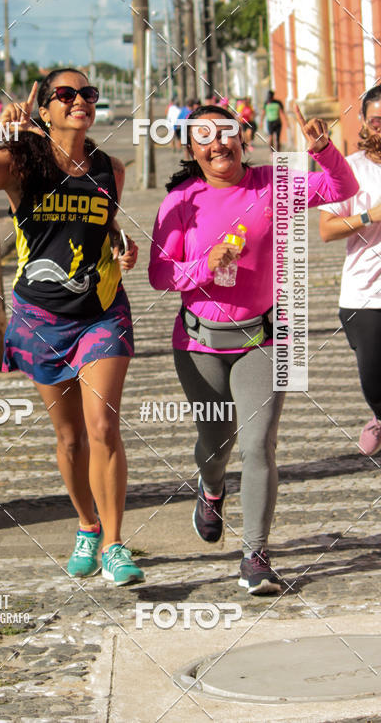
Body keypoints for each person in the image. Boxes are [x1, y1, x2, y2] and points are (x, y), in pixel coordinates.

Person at [0, 68, 145, 586]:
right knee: (70, 437)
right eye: (65, 95)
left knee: (103, 428)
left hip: (102, 310)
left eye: (87, 94)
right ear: (45, 109)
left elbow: (100, 220)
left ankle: (116, 545)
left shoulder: (110, 168)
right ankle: (87, 526)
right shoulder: (19, 164)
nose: (79, 101)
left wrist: (119, 242)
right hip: (40, 319)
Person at [148, 103, 358, 594]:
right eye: (205, 136)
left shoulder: (273, 184)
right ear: (191, 148)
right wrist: (203, 264)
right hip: (200, 342)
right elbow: (160, 275)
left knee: (258, 444)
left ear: (242, 136)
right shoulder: (182, 201)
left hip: (264, 337)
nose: (218, 143)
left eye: (226, 133)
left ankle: (256, 555)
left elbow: (343, 190)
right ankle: (211, 487)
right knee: (216, 445)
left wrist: (323, 149)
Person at [319, 84, 381, 456]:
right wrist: (369, 216)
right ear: (363, 121)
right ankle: (378, 416)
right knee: (374, 379)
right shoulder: (350, 171)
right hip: (365, 294)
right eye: (377, 120)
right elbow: (326, 229)